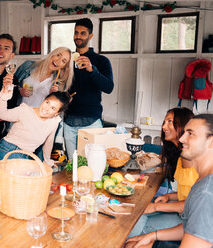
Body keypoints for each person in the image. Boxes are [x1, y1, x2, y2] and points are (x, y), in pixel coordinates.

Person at [126, 114, 213, 248]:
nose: (182, 138)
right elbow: (189, 227)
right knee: (134, 242)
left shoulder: (206, 192)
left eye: (190, 134)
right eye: (184, 133)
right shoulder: (203, 181)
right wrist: (152, 236)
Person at [64, 18, 114, 161]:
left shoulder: (101, 61)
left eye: (83, 33)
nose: (78, 36)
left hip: (92, 123)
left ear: (90, 36)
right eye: (76, 33)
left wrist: (92, 70)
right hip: (69, 123)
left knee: (92, 164)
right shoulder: (67, 59)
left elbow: (109, 87)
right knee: (72, 166)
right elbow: (62, 86)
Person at [0, 83, 71, 166]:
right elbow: (0, 114)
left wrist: (47, 161)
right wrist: (4, 97)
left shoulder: (53, 122)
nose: (46, 108)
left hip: (25, 157)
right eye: (47, 102)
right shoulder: (25, 111)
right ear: (44, 100)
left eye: (53, 108)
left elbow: (48, 142)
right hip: (6, 150)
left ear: (57, 113)